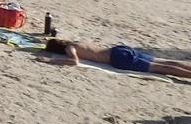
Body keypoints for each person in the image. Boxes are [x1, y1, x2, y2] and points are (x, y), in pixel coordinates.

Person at [44, 39, 191, 81]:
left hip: (117, 58)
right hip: (118, 49)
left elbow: (74, 62)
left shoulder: (70, 48)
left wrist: (50, 61)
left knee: (161, 68)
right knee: (164, 62)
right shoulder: (76, 42)